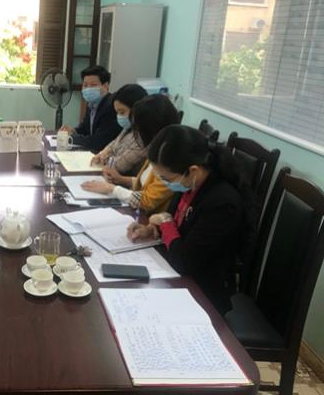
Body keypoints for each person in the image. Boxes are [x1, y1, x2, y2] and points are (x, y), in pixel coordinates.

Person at [128, 125, 253, 313]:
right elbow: (177, 224)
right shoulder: (189, 183)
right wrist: (153, 229)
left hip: (204, 292)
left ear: (193, 170)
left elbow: (185, 261)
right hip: (178, 274)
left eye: (166, 178)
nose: (164, 183)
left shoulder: (222, 202)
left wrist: (165, 223)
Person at [81, 94, 179, 214]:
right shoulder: (157, 146)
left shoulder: (170, 157)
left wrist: (112, 189)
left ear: (150, 128)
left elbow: (148, 200)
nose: (136, 134)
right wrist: (120, 179)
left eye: (138, 129)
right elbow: (144, 182)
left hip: (149, 217)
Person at [59, 65, 121, 153]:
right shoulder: (92, 103)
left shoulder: (110, 106)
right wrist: (73, 130)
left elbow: (97, 142)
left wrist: (70, 137)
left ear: (105, 86)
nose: (88, 89)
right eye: (85, 85)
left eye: (93, 85)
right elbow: (85, 128)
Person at [89, 83, 148, 175]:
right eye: (117, 113)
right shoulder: (129, 128)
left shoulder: (144, 136)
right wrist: (102, 153)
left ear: (137, 109)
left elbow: (120, 166)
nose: (119, 116)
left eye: (122, 112)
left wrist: (104, 159)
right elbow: (114, 144)